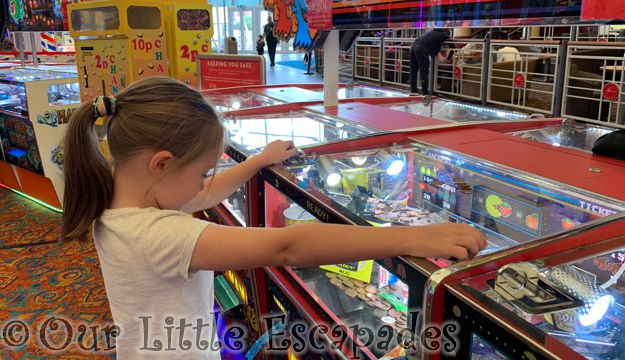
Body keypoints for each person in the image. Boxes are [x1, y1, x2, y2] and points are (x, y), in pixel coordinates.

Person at [62, 77, 486, 359]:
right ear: (161, 164)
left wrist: (258, 161)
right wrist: (409, 239)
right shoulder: (160, 234)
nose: (202, 185)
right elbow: (288, 245)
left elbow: (201, 193)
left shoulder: (114, 201)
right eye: (201, 171)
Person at [406, 29, 451, 95]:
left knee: (413, 71)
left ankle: (413, 92)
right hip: (421, 48)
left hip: (413, 46)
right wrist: (448, 58)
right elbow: (453, 46)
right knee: (424, 72)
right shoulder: (444, 34)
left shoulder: (432, 31)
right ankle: (425, 94)